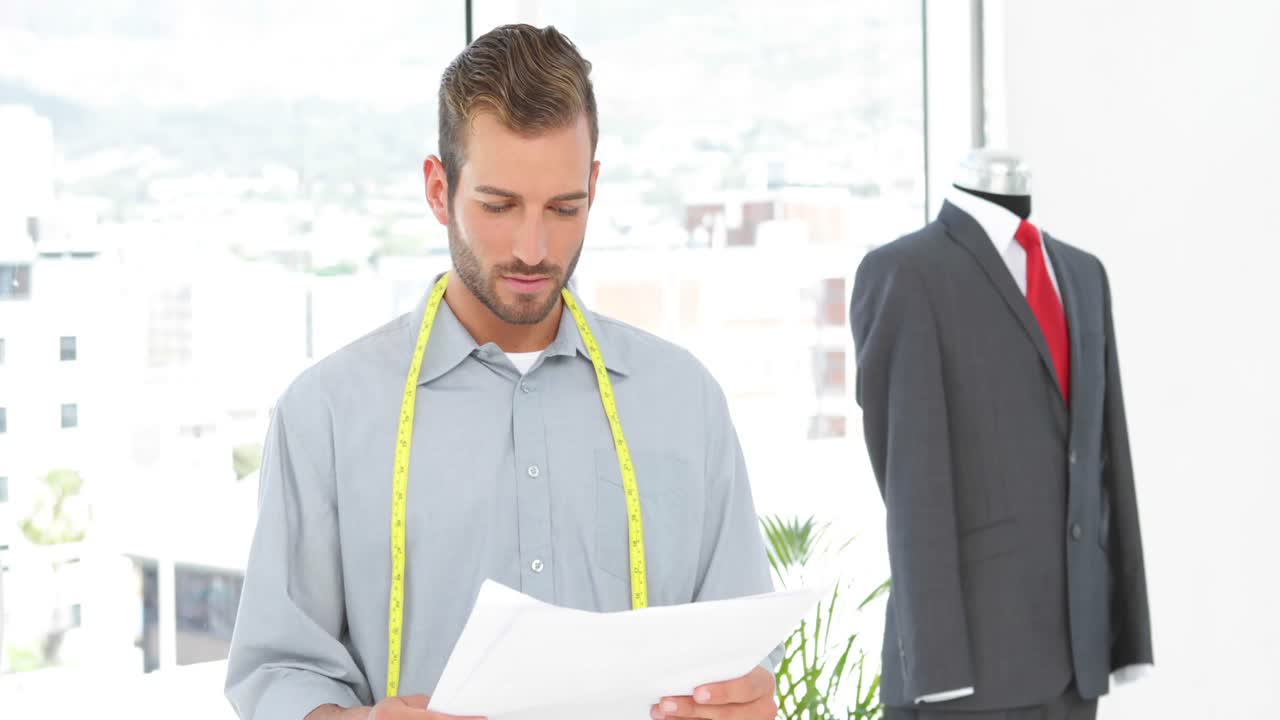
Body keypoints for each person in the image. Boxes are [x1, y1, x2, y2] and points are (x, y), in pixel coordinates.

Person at [225, 24, 780, 720]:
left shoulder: (685, 400)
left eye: (564, 208)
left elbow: (739, 658)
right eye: (498, 206)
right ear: (438, 189)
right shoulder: (327, 414)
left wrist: (745, 700)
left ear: (594, 189)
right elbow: (278, 669)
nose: (533, 247)